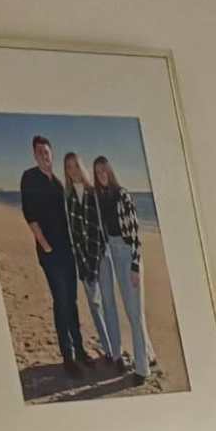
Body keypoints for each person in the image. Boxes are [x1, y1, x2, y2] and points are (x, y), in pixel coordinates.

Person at [15, 137, 84, 378]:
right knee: (61, 301)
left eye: (47, 151)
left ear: (52, 154)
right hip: (50, 253)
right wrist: (45, 245)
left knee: (72, 301)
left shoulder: (57, 182)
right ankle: (68, 358)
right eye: (40, 152)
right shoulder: (30, 177)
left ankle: (80, 350)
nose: (44, 155)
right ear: (35, 155)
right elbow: (29, 214)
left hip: (67, 251)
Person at [90, 155, 149, 379]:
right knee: (129, 310)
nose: (102, 175)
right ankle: (147, 356)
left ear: (110, 171)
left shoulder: (122, 194)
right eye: (98, 172)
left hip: (127, 253)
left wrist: (135, 265)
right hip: (112, 252)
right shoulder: (100, 197)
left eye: (104, 170)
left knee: (135, 312)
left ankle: (142, 370)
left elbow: (135, 233)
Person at [64, 141, 114, 368]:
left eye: (76, 165)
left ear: (81, 166)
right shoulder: (67, 198)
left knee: (108, 303)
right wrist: (82, 262)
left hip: (101, 254)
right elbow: (74, 233)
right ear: (66, 171)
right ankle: (108, 350)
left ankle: (115, 350)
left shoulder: (93, 193)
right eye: (69, 167)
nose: (73, 170)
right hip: (83, 259)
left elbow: (101, 228)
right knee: (95, 306)